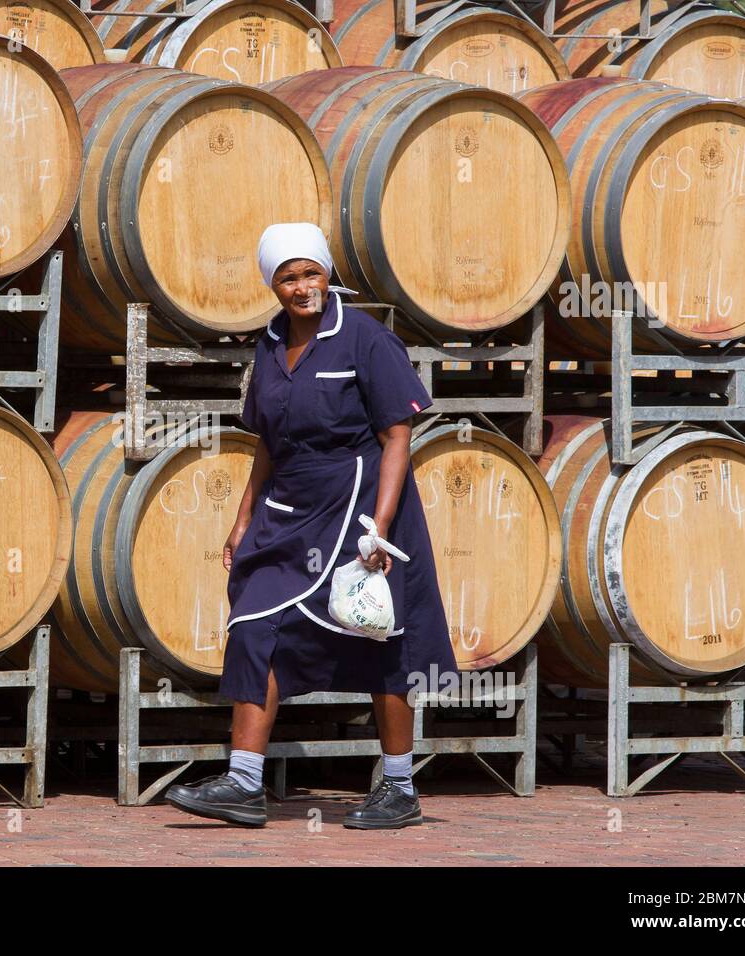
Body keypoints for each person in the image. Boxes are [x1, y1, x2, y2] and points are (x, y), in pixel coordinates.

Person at [164, 222, 458, 830]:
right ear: (272, 286)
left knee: (380, 636)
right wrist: (242, 517)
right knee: (253, 624)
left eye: (311, 273)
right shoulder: (270, 344)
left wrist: (379, 528)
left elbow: (397, 436)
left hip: (358, 503)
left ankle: (400, 789)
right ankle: (244, 782)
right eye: (288, 277)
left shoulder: (365, 339)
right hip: (288, 505)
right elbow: (266, 441)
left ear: (328, 274)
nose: (302, 287)